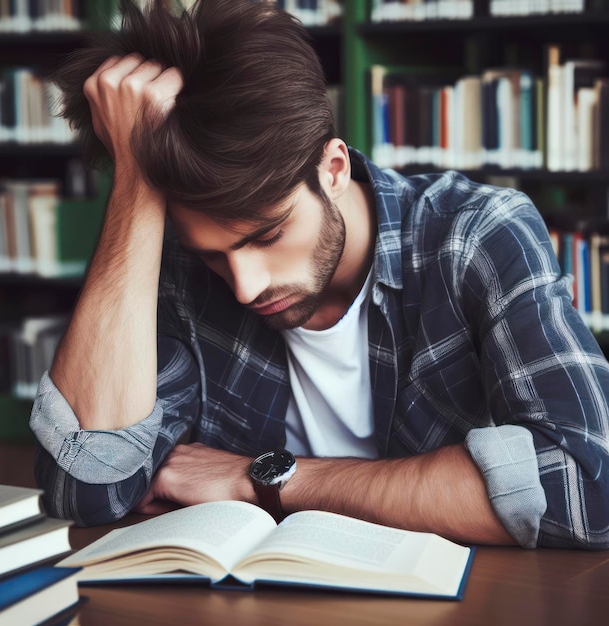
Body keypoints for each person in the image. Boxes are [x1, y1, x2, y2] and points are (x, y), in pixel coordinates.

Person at [30, 0, 609, 550]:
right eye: (213, 253)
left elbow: (589, 484)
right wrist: (135, 179)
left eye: (266, 234)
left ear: (332, 168)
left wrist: (263, 480)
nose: (245, 286)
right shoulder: (177, 268)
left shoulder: (474, 234)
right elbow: (86, 486)